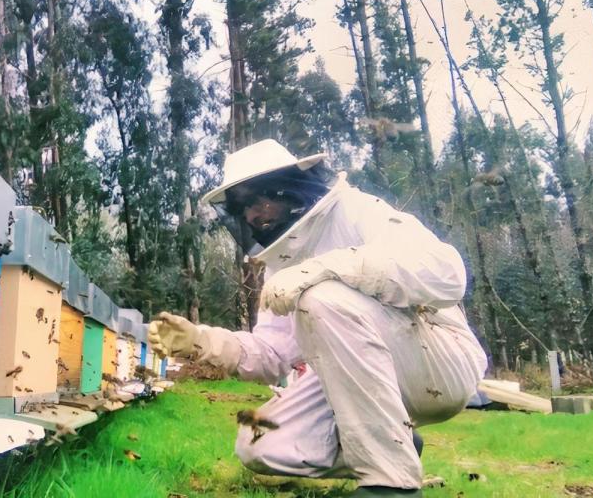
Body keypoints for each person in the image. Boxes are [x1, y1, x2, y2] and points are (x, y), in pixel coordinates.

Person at [148, 140, 487, 497]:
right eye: (243, 207)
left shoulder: (356, 210)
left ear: (289, 187)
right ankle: (393, 442)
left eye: (258, 199)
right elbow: (273, 353)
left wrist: (324, 268)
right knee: (259, 441)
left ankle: (391, 485)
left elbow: (447, 273)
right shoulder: (281, 262)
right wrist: (202, 340)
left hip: (438, 363)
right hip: (355, 375)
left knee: (320, 296)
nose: (251, 215)